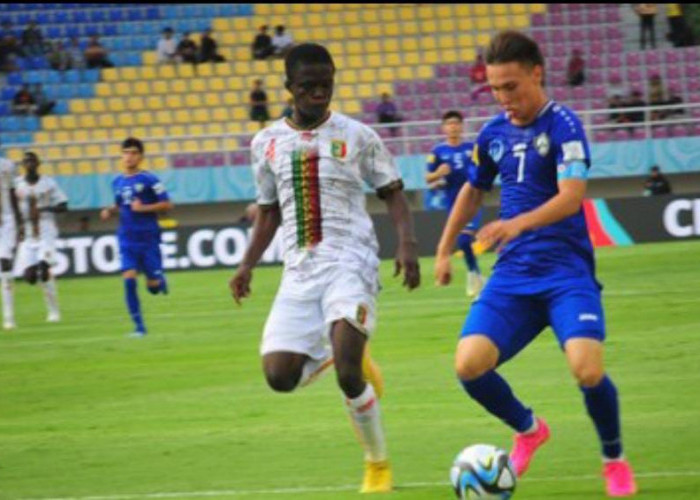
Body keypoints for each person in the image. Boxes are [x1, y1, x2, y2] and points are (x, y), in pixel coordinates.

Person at [434, 31, 637, 497]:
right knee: (468, 365)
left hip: (566, 273)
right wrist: (444, 249)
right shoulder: (492, 133)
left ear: (536, 74)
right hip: (514, 276)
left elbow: (571, 197)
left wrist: (517, 223)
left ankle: (614, 458)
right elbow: (471, 190)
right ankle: (529, 429)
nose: (504, 99)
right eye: (495, 89)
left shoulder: (564, 125)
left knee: (587, 369)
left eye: (511, 87)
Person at [229, 43, 420, 494]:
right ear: (289, 88)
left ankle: (377, 464)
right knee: (279, 377)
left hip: (350, 261)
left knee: (349, 374)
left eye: (326, 85)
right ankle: (342, 348)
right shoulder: (266, 143)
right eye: (308, 87)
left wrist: (407, 245)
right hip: (298, 271)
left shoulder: (357, 136)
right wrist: (246, 265)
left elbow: (393, 192)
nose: (319, 93)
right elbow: (269, 211)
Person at [100, 138, 173, 337]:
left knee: (153, 288)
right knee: (129, 279)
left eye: (133, 153)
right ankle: (139, 327)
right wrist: (109, 211)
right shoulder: (117, 181)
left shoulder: (150, 179)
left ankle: (158, 280)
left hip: (149, 238)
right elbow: (121, 204)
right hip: (126, 239)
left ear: (141, 156)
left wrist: (144, 208)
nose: (129, 157)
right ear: (121, 155)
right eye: (126, 152)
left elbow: (167, 205)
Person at [425, 110, 484, 297]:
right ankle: (476, 275)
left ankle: (474, 275)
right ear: (444, 128)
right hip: (452, 202)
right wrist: (439, 174)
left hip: (473, 200)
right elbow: (428, 178)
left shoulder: (472, 148)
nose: (453, 127)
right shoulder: (438, 152)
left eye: (456, 123)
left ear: (461, 126)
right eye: (449, 124)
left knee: (464, 239)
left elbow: (483, 170)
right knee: (463, 241)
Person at [14, 152, 67, 323]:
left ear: (38, 163)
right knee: (29, 277)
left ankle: (54, 312)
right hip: (28, 236)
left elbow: (63, 205)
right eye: (26, 161)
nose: (29, 163)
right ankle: (41, 276)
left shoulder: (48, 183)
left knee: (44, 270)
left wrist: (45, 209)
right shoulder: (17, 185)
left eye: (32, 160)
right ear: (22, 164)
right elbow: (12, 208)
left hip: (46, 232)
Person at [0, 151, 21, 330]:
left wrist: (20, 221)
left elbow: (14, 194)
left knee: (5, 263)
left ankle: (9, 316)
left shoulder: (7, 165)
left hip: (6, 220)